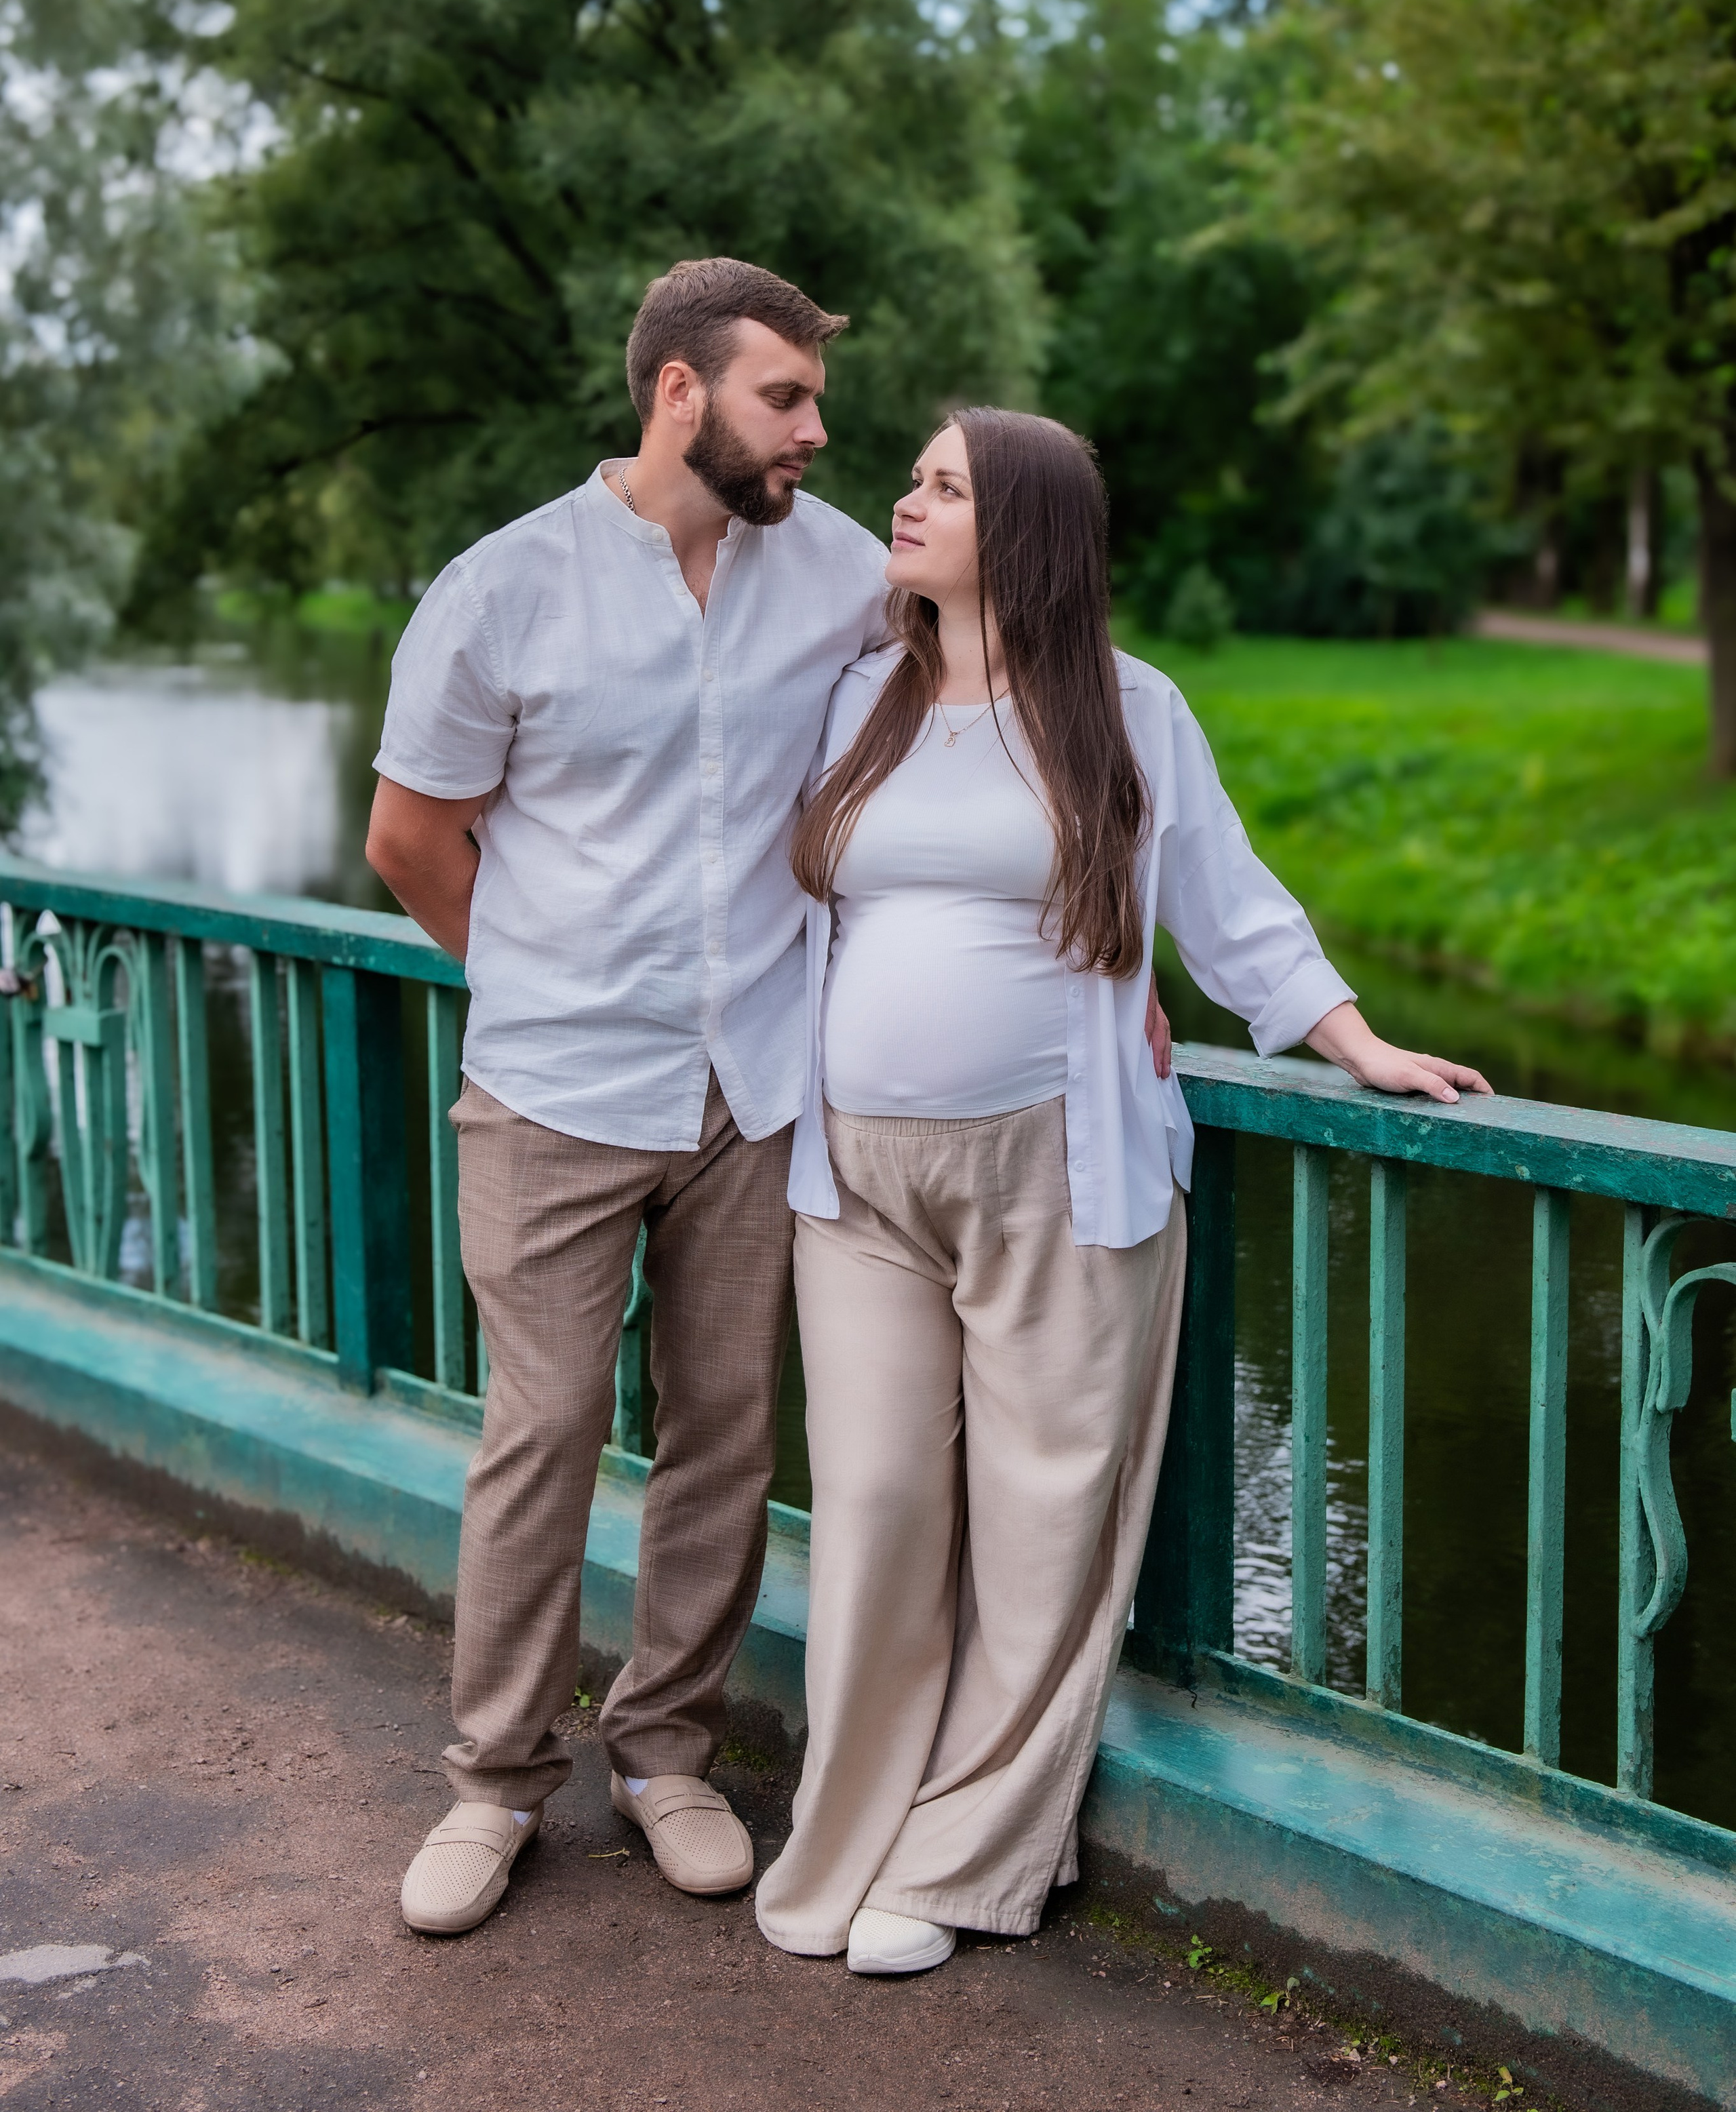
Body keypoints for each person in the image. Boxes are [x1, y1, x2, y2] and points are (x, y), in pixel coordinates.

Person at [754, 406, 1491, 1976]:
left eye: (942, 486)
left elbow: (1228, 908)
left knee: (1039, 1519)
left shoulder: (1127, 712)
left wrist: (1352, 1040)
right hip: (856, 1173)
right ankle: (847, 1834)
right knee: (878, 1508)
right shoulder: (850, 704)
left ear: (1017, 528)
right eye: (913, 478)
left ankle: (960, 1863)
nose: (904, 498)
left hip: (1059, 1165)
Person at [368, 257, 893, 1936]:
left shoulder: (841, 573)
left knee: (725, 1431)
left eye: (812, 398)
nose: (815, 430)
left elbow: (994, 701)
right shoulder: (501, 588)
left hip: (755, 1082)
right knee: (541, 1434)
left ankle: (665, 1751)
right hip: (553, 1087)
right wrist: (527, 972)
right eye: (784, 398)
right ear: (679, 392)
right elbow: (409, 838)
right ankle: (493, 1781)